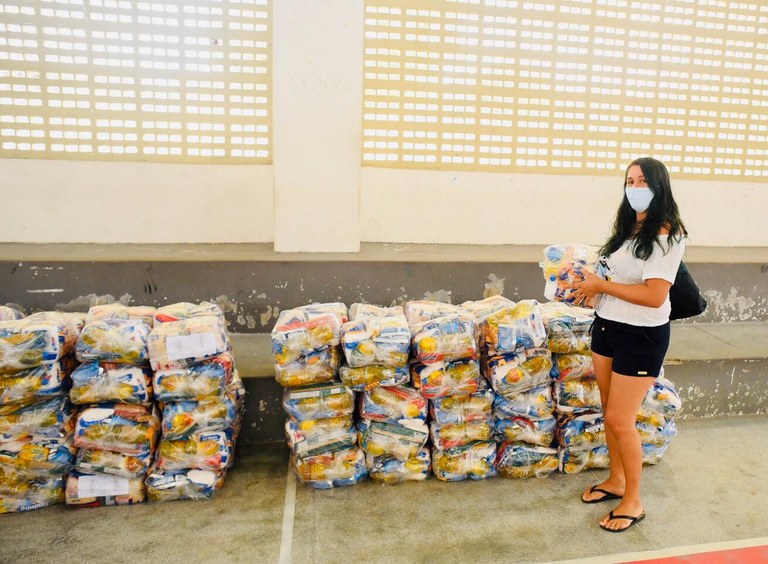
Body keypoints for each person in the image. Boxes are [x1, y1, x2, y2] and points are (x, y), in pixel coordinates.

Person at [570, 157, 686, 533]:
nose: (634, 187)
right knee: (610, 413)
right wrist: (590, 285)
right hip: (608, 327)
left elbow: (654, 296)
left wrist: (601, 287)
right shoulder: (628, 229)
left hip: (642, 335)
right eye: (629, 180)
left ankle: (633, 501)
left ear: (658, 185)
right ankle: (617, 480)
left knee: (621, 419)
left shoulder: (667, 235)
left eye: (642, 181)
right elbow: (616, 276)